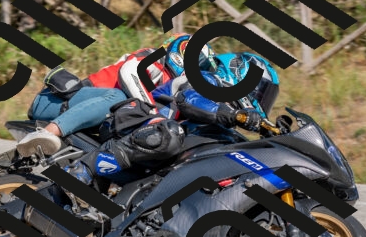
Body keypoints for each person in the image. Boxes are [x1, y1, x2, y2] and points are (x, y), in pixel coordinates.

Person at [64, 51, 281, 186]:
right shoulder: (206, 80)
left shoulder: (224, 122)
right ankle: (84, 168)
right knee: (170, 134)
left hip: (153, 157)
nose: (261, 100)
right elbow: (191, 101)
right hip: (134, 122)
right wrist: (234, 115)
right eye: (261, 91)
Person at [15, 33, 218, 157]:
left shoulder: (168, 86)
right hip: (57, 102)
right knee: (121, 98)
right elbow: (129, 73)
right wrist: (153, 114)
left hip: (88, 112)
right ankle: (47, 133)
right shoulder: (153, 58)